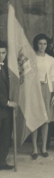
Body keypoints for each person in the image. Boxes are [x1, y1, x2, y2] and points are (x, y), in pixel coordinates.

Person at [31, 34, 54, 159]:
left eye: (45, 44)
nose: (42, 46)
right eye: (40, 43)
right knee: (36, 119)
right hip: (34, 90)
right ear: (36, 44)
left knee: (45, 120)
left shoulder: (50, 59)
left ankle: (43, 148)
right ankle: (35, 148)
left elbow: (53, 76)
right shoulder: (31, 57)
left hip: (47, 89)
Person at [0, 41, 18, 170]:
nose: (1, 56)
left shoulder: (6, 68)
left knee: (5, 137)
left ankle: (1, 161)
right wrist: (7, 102)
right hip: (3, 106)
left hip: (6, 111)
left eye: (3, 53)